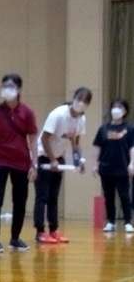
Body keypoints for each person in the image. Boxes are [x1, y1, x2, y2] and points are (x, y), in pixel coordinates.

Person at [0, 74, 38, 253]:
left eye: (11, 86)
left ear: (19, 89)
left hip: (21, 162)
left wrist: (34, 164)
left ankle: (15, 238)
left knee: (20, 201)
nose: (6, 89)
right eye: (4, 86)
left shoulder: (27, 113)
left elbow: (33, 140)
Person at [34, 87, 92, 244]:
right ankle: (40, 232)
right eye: (79, 98)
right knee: (42, 196)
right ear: (74, 98)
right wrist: (52, 159)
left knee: (53, 196)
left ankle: (53, 230)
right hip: (43, 156)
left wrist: (79, 161)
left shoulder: (81, 120)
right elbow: (45, 138)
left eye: (85, 101)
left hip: (58, 157)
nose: (81, 103)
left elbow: (76, 142)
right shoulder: (58, 114)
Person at [93, 99, 134, 233]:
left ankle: (128, 222)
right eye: (114, 107)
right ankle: (111, 222)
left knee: (124, 196)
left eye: (120, 107)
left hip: (122, 167)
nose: (116, 109)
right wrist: (95, 164)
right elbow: (98, 147)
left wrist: (132, 163)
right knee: (108, 196)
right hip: (106, 168)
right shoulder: (103, 128)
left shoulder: (130, 129)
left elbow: (132, 148)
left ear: (125, 111)